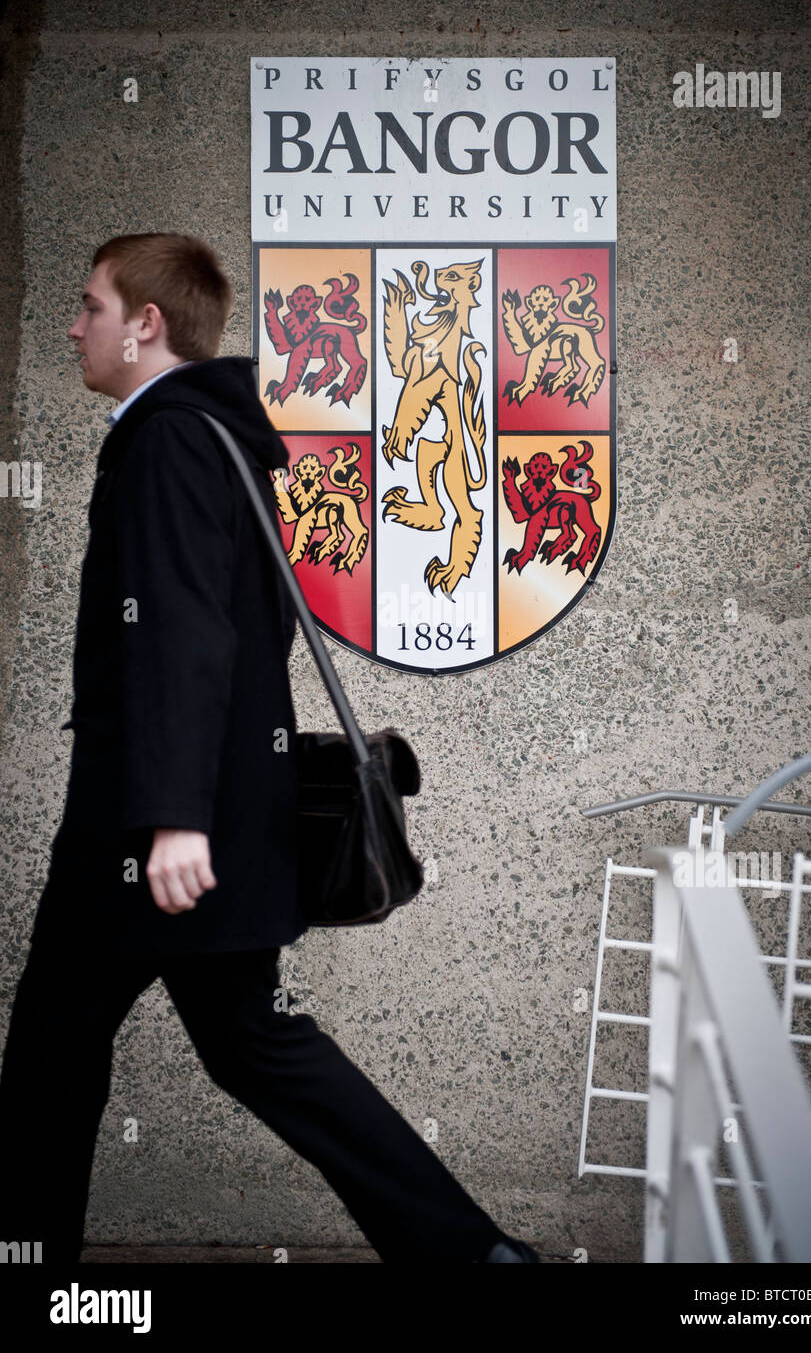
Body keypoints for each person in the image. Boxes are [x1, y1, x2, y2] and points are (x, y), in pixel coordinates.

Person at [0, 232, 539, 1264]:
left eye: (91, 306)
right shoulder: (217, 436)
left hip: (148, 831)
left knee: (65, 1050)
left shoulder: (167, 439)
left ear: (145, 324)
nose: (73, 327)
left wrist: (173, 818)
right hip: (195, 817)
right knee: (240, 1043)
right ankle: (473, 1255)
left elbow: (184, 633)